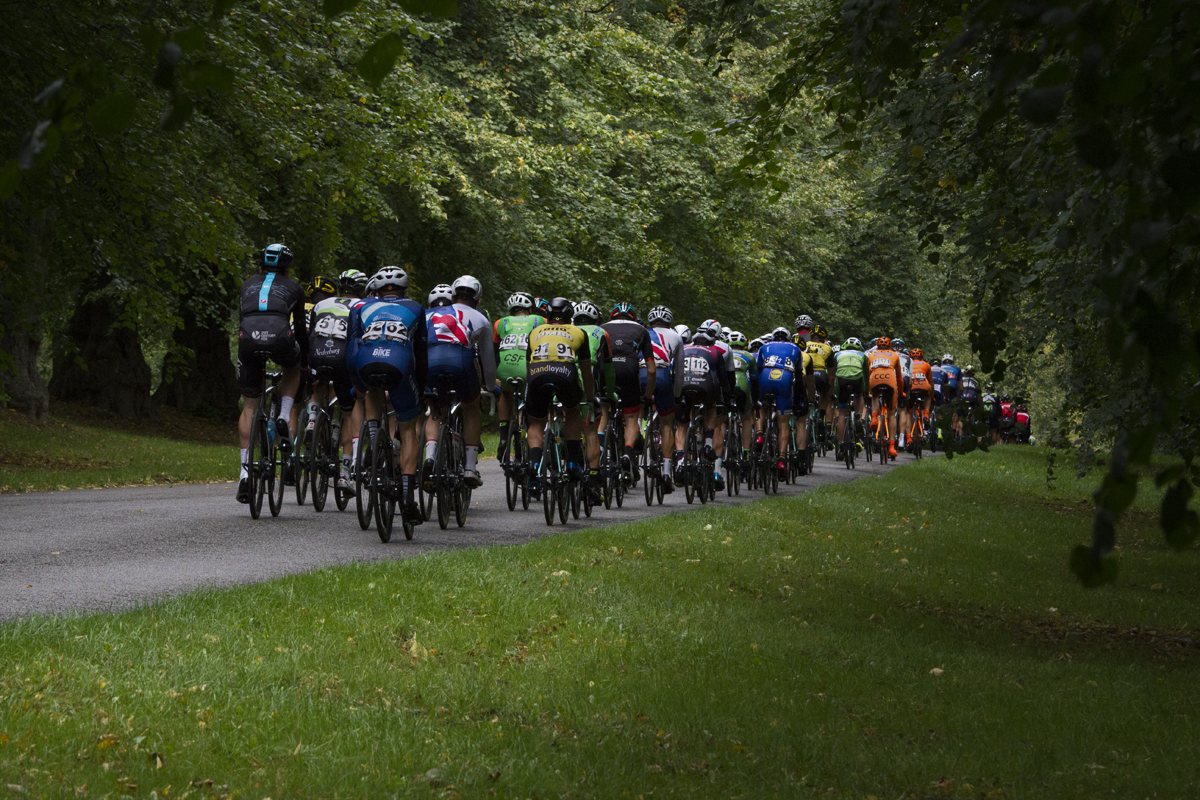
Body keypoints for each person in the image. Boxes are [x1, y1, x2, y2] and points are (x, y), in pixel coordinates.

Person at [346, 266, 428, 523]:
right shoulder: (415, 307)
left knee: (371, 388)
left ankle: (372, 438)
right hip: (399, 365)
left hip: (365, 364)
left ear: (376, 291)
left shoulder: (359, 308)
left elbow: (351, 349)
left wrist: (356, 383)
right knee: (407, 428)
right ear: (404, 289)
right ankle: (406, 495)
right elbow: (421, 354)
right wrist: (421, 388)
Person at [236, 243, 308, 503]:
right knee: (293, 367)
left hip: (248, 337)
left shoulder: (246, 285)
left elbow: (242, 318)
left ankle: (245, 474)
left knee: (249, 407)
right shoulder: (295, 288)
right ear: (287, 270)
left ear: (260, 266)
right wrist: (306, 359)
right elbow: (300, 328)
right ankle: (285, 414)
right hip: (280, 336)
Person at [421, 276, 496, 489]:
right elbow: (488, 362)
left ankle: (430, 456)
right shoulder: (481, 318)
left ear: (452, 296)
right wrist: (489, 387)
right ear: (478, 300)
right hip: (461, 361)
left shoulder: (428, 313)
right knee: (471, 408)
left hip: (431, 361)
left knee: (436, 408)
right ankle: (470, 466)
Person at [524, 298, 596, 496]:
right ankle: (573, 462)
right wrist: (590, 398)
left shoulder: (535, 332)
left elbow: (528, 365)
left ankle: (534, 466)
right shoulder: (578, 332)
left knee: (537, 422)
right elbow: (586, 371)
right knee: (572, 412)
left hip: (537, 373)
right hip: (565, 373)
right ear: (569, 315)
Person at [304, 274, 361, 492]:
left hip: (317, 354)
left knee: (319, 383)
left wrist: (310, 367)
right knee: (349, 413)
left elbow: (310, 335)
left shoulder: (321, 304)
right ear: (361, 291)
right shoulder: (360, 305)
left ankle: (311, 419)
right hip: (342, 357)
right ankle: (345, 473)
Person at [601, 303, 655, 482]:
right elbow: (651, 369)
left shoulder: (601, 329)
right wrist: (647, 396)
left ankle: (600, 447)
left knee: (604, 408)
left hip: (606, 371)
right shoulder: (641, 330)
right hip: (629, 370)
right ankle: (628, 451)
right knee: (631, 417)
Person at [675, 323, 731, 487]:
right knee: (711, 407)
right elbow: (724, 381)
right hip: (705, 388)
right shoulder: (716, 352)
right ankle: (707, 444)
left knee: (681, 425)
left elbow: (675, 372)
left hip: (683, 387)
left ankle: (680, 461)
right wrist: (726, 400)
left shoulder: (684, 349)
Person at [493, 291, 545, 461]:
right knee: (533, 399)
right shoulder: (540, 320)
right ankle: (532, 433)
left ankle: (503, 437)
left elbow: (494, 352)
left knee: (505, 393)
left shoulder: (499, 323)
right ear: (530, 309)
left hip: (504, 368)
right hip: (529, 369)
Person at [755, 326, 807, 479]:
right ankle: (782, 460)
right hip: (785, 379)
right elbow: (799, 379)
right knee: (783, 423)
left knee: (761, 406)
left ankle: (759, 434)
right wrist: (798, 400)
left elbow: (757, 371)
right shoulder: (795, 348)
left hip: (765, 376)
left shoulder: (764, 347)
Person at [645, 305, 685, 492]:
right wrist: (676, 396)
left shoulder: (642, 332)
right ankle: (667, 472)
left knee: (632, 413)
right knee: (666, 425)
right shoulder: (676, 336)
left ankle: (635, 438)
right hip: (662, 375)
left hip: (641, 374)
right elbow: (678, 372)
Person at [831, 338, 869, 458]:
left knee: (842, 414)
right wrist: (866, 391)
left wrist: (833, 392)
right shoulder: (863, 355)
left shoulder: (837, 354)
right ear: (858, 348)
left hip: (841, 380)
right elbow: (866, 376)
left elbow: (833, 375)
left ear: (845, 347)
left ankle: (841, 446)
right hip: (857, 379)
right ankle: (858, 417)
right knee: (859, 396)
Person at [727, 330, 759, 475]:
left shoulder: (723, 353)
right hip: (742, 386)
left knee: (719, 419)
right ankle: (746, 452)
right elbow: (754, 381)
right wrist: (756, 401)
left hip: (726, 387)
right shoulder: (749, 356)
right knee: (746, 418)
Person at [868, 336, 902, 459]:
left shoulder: (872, 354)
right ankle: (892, 447)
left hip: (875, 380)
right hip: (890, 380)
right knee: (892, 413)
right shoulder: (894, 355)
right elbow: (899, 378)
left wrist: (868, 390)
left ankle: (874, 418)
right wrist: (901, 392)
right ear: (890, 346)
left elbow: (869, 372)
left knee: (875, 395)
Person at [806, 324, 834, 431]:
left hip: (805, 375)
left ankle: (807, 418)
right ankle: (821, 416)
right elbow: (831, 376)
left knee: (805, 395)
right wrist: (830, 392)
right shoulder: (828, 348)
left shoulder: (804, 345)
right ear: (823, 339)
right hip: (820, 375)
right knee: (824, 394)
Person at [907, 347, 934, 446]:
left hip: (911, 387)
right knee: (928, 396)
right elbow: (931, 382)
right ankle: (926, 415)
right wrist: (932, 395)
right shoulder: (926, 364)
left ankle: (908, 438)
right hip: (923, 387)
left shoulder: (908, 363)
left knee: (909, 412)